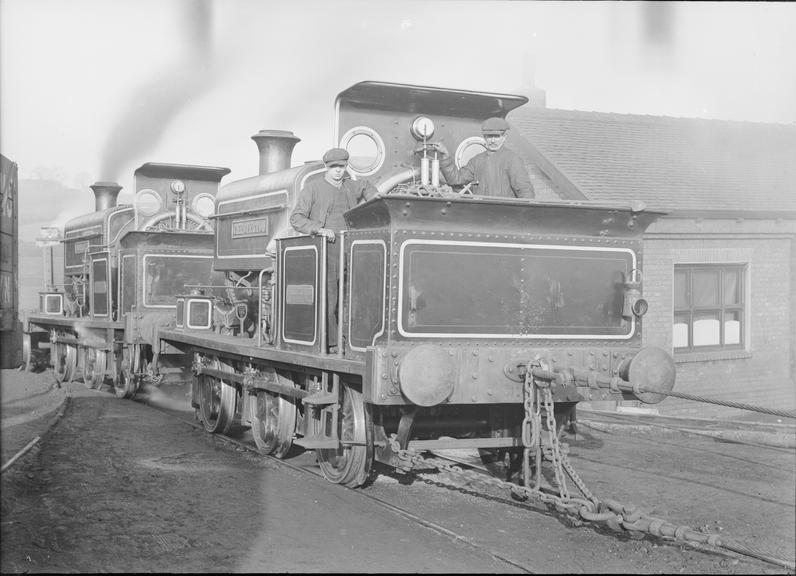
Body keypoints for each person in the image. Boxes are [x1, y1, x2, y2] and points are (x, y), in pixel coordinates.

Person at [289, 147, 378, 351]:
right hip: (326, 247)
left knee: (354, 293)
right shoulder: (312, 189)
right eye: (334, 167)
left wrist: (377, 201)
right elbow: (296, 218)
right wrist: (319, 229)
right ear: (327, 168)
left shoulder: (351, 186)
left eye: (342, 167)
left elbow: (366, 187)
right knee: (329, 295)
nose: (338, 171)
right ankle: (330, 342)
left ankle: (353, 339)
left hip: (350, 247)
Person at [430, 117, 535, 199]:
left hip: (504, 217)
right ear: (484, 137)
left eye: (496, 136)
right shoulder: (477, 160)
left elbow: (525, 192)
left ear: (504, 137)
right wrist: (445, 156)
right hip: (480, 214)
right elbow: (456, 179)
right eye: (489, 136)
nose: (492, 141)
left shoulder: (513, 160)